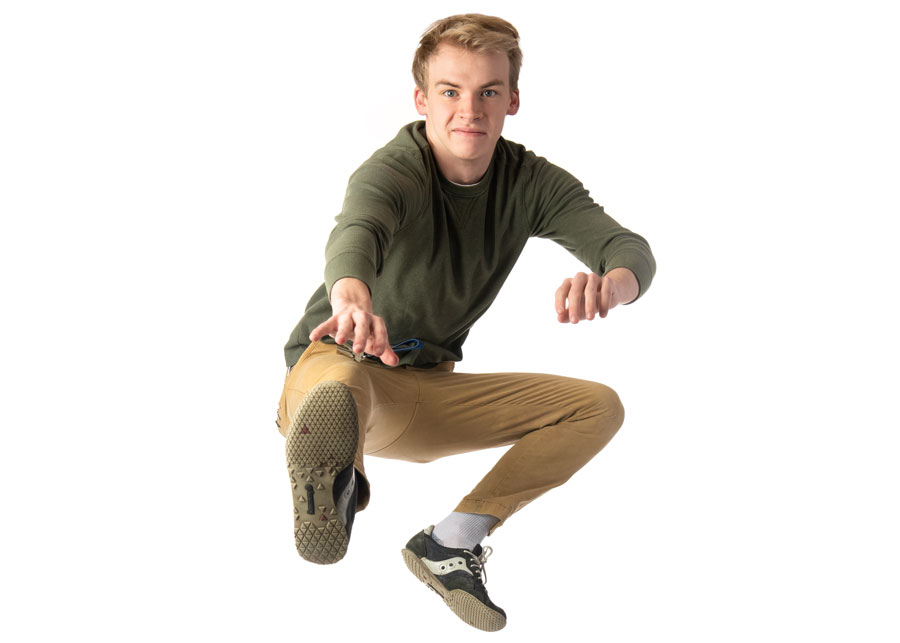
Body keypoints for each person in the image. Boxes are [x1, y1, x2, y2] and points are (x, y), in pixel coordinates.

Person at [275, 14, 655, 632]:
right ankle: (333, 481)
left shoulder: (529, 181)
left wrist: (612, 283)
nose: (469, 111)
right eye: (450, 91)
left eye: (488, 92)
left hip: (422, 391)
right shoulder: (394, 169)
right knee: (339, 387)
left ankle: (451, 544)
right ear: (422, 98)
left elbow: (626, 245)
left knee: (598, 407)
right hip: (335, 364)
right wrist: (350, 296)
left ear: (513, 99)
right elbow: (359, 231)